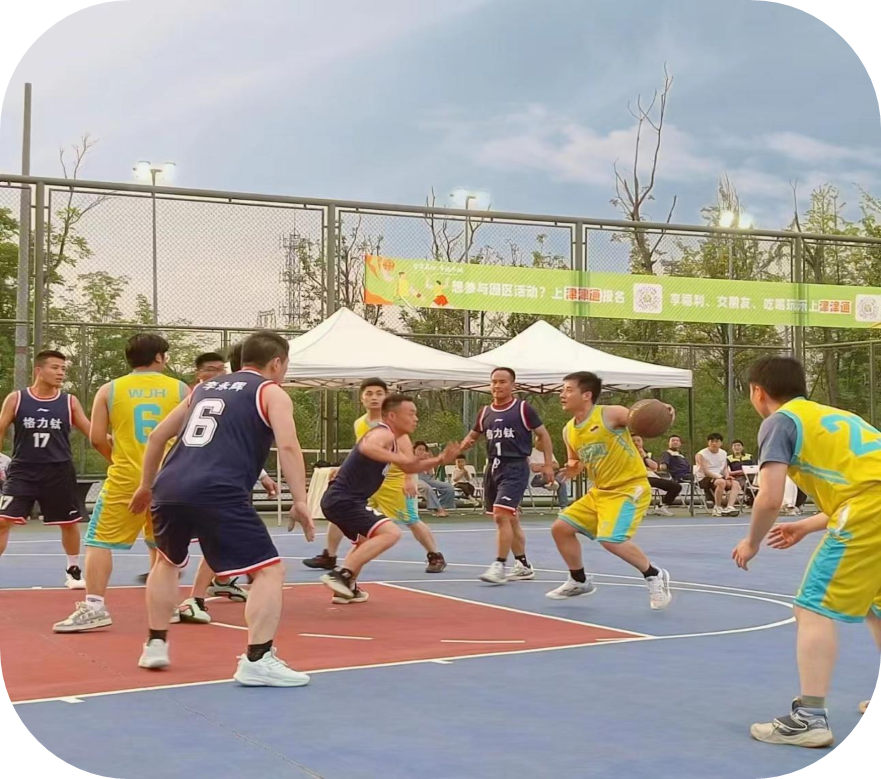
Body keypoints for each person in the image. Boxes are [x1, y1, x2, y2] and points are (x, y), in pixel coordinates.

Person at [129, 330, 315, 684]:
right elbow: (289, 447)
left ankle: (155, 644)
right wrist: (300, 499)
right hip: (219, 489)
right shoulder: (269, 391)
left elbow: (157, 437)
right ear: (277, 363)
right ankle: (258, 659)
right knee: (269, 570)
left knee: (167, 562)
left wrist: (146, 485)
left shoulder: (204, 388)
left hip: (170, 485)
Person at [733, 355, 881, 747]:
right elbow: (864, 482)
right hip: (870, 506)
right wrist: (806, 524)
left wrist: (752, 542)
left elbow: (770, 497)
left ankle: (810, 718)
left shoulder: (780, 422)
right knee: (876, 606)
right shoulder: (838, 417)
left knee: (812, 607)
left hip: (868, 512)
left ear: (757, 392)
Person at [53, 335, 189, 633]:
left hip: (126, 479)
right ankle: (166, 606)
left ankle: (94, 607)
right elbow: (190, 438)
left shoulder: (110, 390)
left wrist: (117, 459)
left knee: (99, 541)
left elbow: (96, 438)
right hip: (168, 480)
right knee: (161, 545)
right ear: (159, 357)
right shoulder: (181, 389)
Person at [545, 372, 672, 609]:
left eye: (568, 390)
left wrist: (662, 412)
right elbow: (575, 460)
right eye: (562, 390)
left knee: (612, 540)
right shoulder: (569, 430)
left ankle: (654, 574)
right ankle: (579, 580)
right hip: (600, 492)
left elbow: (639, 418)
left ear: (587, 395)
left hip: (629, 488)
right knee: (561, 529)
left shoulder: (610, 414)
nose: (562, 395)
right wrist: (572, 468)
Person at [319, 395, 458, 602]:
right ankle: (341, 575)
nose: (416, 418)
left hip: (339, 500)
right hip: (344, 500)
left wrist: (439, 459)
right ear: (392, 416)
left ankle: (347, 588)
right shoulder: (383, 433)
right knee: (391, 532)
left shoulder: (392, 441)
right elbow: (368, 447)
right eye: (411, 413)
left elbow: (410, 467)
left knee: (365, 541)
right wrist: (397, 458)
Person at [175, 350, 280, 623]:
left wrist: (262, 475)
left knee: (216, 539)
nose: (217, 374)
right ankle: (190, 603)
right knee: (262, 562)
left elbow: (232, 442)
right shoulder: (200, 395)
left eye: (220, 369)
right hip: (207, 482)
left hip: (200, 480)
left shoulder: (213, 394)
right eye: (211, 369)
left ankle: (219, 582)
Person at [303, 378, 447, 576]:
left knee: (410, 519)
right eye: (369, 394)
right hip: (366, 483)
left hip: (393, 481)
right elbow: (362, 448)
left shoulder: (395, 427)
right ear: (361, 398)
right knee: (345, 515)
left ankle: (434, 555)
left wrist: (408, 478)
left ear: (386, 398)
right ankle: (331, 556)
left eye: (379, 394)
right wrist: (344, 467)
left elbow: (408, 457)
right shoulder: (361, 423)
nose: (374, 398)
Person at [0, 350, 94, 588]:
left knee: (69, 523)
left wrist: (115, 446)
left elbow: (92, 433)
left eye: (63, 368)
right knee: (2, 520)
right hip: (22, 470)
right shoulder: (17, 399)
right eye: (55, 367)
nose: (61, 372)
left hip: (58, 471)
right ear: (38, 371)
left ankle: (73, 570)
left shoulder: (69, 402)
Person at [460, 367, 556, 585]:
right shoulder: (485, 412)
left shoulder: (522, 409)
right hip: (493, 467)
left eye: (502, 381)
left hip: (515, 466)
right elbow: (473, 435)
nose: (497, 385)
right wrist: (464, 444)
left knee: (501, 515)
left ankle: (499, 565)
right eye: (494, 381)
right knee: (510, 519)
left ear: (513, 385)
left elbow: (543, 435)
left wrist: (548, 465)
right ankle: (523, 565)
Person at [632, 435, 681, 517]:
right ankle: (640, 508)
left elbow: (654, 466)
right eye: (633, 441)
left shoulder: (647, 453)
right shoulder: (625, 453)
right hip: (634, 478)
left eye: (638, 440)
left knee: (676, 486)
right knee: (644, 486)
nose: (636, 443)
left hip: (650, 477)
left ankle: (662, 507)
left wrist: (644, 456)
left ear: (642, 442)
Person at [696, 433, 741, 516]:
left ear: (721, 443)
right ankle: (717, 507)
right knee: (721, 482)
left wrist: (727, 476)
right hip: (704, 478)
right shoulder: (701, 454)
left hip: (719, 477)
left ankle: (729, 507)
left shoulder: (723, 453)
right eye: (712, 441)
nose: (714, 443)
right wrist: (720, 477)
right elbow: (706, 472)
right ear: (708, 443)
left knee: (735, 483)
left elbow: (725, 468)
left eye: (717, 441)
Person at [414, 441, 457, 516]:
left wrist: (429, 462)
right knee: (427, 488)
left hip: (425, 477)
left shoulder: (425, 458)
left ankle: (441, 506)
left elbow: (430, 474)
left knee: (448, 487)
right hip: (413, 478)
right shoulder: (410, 458)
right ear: (414, 450)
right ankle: (438, 509)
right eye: (419, 449)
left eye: (424, 450)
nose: (422, 451)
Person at [529, 434, 570, 509]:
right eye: (539, 441)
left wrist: (541, 465)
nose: (542, 443)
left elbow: (557, 465)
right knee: (558, 480)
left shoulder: (548, 453)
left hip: (552, 475)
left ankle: (563, 507)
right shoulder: (531, 452)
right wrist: (548, 465)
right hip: (537, 478)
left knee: (561, 480)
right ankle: (552, 484)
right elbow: (534, 468)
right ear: (535, 442)